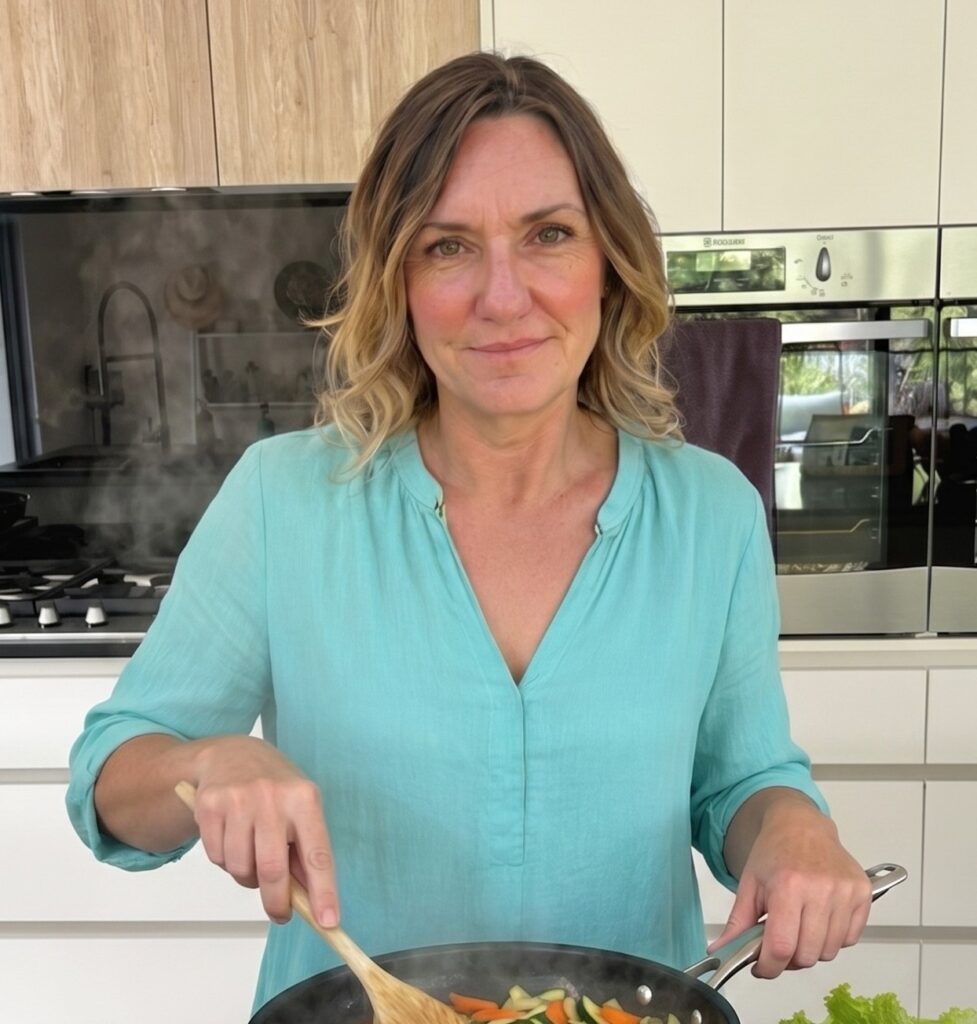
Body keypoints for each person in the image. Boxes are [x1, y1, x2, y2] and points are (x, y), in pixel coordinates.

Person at [67, 52, 872, 1014]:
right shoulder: (282, 500)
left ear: (608, 263)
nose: (501, 295)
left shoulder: (710, 515)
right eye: (447, 246)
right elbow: (112, 780)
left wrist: (791, 831)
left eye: (548, 235)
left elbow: (740, 780)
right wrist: (204, 763)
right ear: (396, 280)